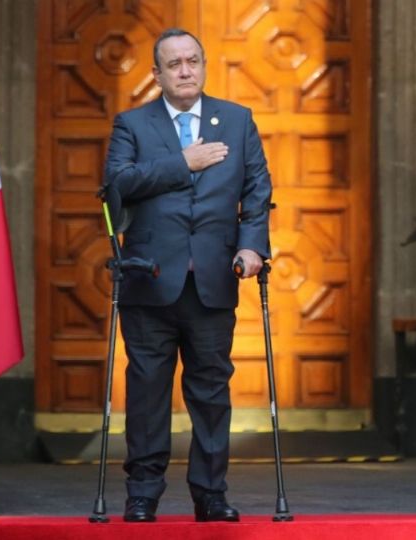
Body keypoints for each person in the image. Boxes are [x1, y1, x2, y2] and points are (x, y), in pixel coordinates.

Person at [103, 27, 272, 523]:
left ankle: (211, 493)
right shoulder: (132, 124)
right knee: (148, 392)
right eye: (173, 63)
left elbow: (258, 192)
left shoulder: (237, 121)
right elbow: (117, 186)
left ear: (203, 65)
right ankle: (143, 493)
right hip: (149, 281)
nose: (185, 70)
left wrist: (251, 247)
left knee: (211, 392)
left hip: (214, 280)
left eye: (192, 60)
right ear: (156, 74)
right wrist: (183, 163)